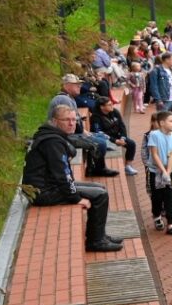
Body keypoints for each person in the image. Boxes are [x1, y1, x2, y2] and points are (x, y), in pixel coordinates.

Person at [21, 105, 121, 252]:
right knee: (100, 195)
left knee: (100, 188)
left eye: (74, 119)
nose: (72, 123)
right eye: (66, 120)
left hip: (48, 186)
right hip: (42, 192)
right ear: (55, 121)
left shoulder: (53, 136)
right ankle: (96, 241)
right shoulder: (52, 142)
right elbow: (63, 175)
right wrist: (76, 198)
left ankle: (100, 235)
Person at [50, 74, 115, 176]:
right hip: (64, 136)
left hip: (70, 132)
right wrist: (84, 132)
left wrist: (85, 132)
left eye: (79, 84)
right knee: (100, 143)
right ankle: (98, 170)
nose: (80, 86)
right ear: (67, 86)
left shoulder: (68, 98)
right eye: (76, 84)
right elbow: (69, 122)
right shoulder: (64, 99)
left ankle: (92, 167)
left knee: (100, 137)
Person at [146, 111, 172, 235]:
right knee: (157, 196)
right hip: (155, 171)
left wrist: (168, 172)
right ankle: (156, 216)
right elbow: (154, 154)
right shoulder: (154, 135)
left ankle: (171, 223)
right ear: (162, 123)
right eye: (171, 121)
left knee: (171, 195)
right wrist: (162, 171)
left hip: (171, 171)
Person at [92, 94, 139, 176]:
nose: (112, 106)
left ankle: (128, 166)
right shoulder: (95, 117)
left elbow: (122, 126)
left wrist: (123, 138)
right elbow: (99, 132)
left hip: (117, 135)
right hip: (106, 138)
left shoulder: (114, 112)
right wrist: (115, 141)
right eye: (109, 105)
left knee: (131, 144)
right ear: (102, 107)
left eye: (112, 104)